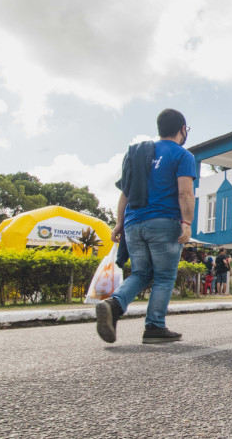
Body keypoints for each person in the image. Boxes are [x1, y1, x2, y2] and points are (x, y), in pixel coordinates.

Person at [96, 108, 195, 344]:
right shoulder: (182, 155)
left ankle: (114, 304)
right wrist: (187, 222)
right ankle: (154, 326)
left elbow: (125, 194)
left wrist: (119, 223)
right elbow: (185, 193)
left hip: (133, 223)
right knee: (164, 276)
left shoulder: (138, 153)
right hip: (163, 222)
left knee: (141, 272)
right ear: (182, 129)